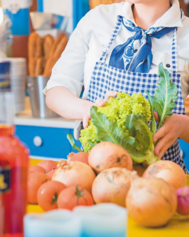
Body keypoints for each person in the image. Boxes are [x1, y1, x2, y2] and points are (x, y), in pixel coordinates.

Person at [44, 0, 189, 173]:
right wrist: (90, 110)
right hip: (93, 178)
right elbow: (55, 91)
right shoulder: (97, 19)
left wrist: (183, 125)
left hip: (159, 182)